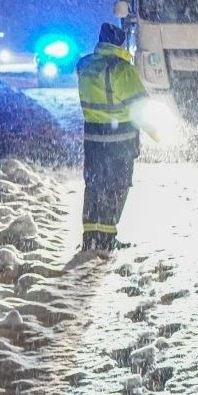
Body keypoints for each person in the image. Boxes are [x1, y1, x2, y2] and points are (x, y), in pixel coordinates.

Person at [76, 23, 147, 252]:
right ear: (120, 43)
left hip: (93, 138)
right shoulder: (121, 69)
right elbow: (140, 106)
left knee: (95, 186)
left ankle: (91, 238)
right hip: (120, 139)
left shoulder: (85, 65)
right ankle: (106, 239)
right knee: (116, 187)